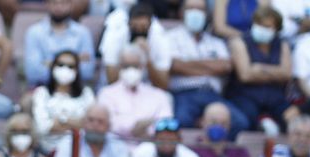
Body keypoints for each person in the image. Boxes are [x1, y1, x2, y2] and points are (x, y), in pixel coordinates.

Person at [165, 0, 236, 131]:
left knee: (239, 122)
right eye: (191, 9)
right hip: (184, 94)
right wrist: (211, 66)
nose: (195, 13)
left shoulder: (216, 42)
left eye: (200, 9)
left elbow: (225, 67)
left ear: (206, 14)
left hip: (212, 94)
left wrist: (188, 65)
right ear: (181, 13)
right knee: (181, 122)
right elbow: (175, 66)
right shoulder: (169, 38)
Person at [226, 4, 290, 134]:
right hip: (245, 97)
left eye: (267, 27)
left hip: (275, 98)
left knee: (292, 116)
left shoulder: (282, 44)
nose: (262, 29)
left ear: (276, 29)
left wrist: (258, 68)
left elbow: (286, 74)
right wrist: (275, 72)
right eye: (259, 24)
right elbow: (245, 75)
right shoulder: (239, 42)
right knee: (247, 117)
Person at [27, 49, 93, 156]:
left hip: (79, 151)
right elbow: (42, 127)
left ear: (77, 70)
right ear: (53, 67)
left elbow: (90, 125)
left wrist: (61, 120)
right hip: (48, 150)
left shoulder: (87, 94)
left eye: (70, 66)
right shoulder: (42, 93)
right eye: (61, 65)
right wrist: (75, 124)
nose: (65, 69)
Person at [97, 45, 171, 139]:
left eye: (135, 66)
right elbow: (107, 123)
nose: (131, 70)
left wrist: (148, 131)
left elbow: (165, 123)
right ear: (119, 67)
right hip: (116, 145)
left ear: (143, 67)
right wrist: (138, 125)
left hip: (149, 145)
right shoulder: (106, 94)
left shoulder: (159, 96)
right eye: (126, 66)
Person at [22, 0, 97, 89]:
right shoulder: (34, 32)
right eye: (54, 3)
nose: (59, 7)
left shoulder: (83, 33)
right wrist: (76, 60)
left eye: (63, 3)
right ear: (47, 4)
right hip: (41, 88)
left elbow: (87, 72)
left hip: (76, 90)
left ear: (70, 5)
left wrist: (49, 63)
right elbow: (33, 73)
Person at [99, 2, 171, 89]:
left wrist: (148, 59)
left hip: (146, 89)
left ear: (150, 26)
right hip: (116, 89)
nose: (139, 31)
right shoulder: (116, 34)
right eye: (135, 27)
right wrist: (127, 59)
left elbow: (163, 85)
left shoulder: (159, 37)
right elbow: (111, 80)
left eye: (144, 28)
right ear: (128, 24)